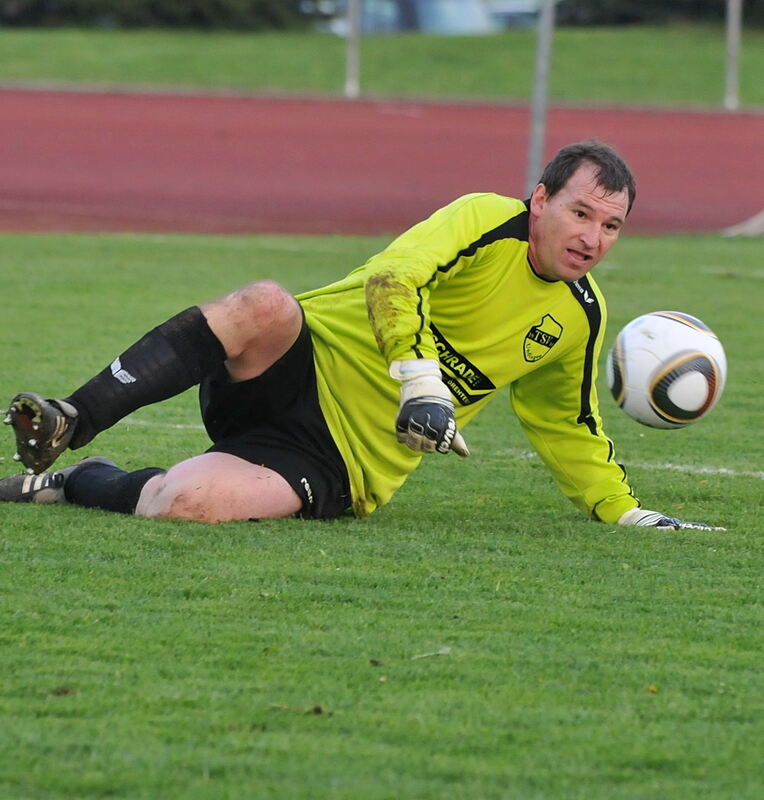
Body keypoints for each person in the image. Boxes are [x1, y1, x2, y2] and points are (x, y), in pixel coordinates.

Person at [0, 140, 723, 530]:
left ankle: (66, 485)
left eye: (611, 226)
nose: (594, 238)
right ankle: (72, 418)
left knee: (183, 505)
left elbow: (567, 425)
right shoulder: (484, 218)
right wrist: (422, 384)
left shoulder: (578, 315)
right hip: (292, 366)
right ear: (540, 200)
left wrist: (624, 511)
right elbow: (393, 277)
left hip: (335, 460)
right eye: (582, 214)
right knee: (266, 302)